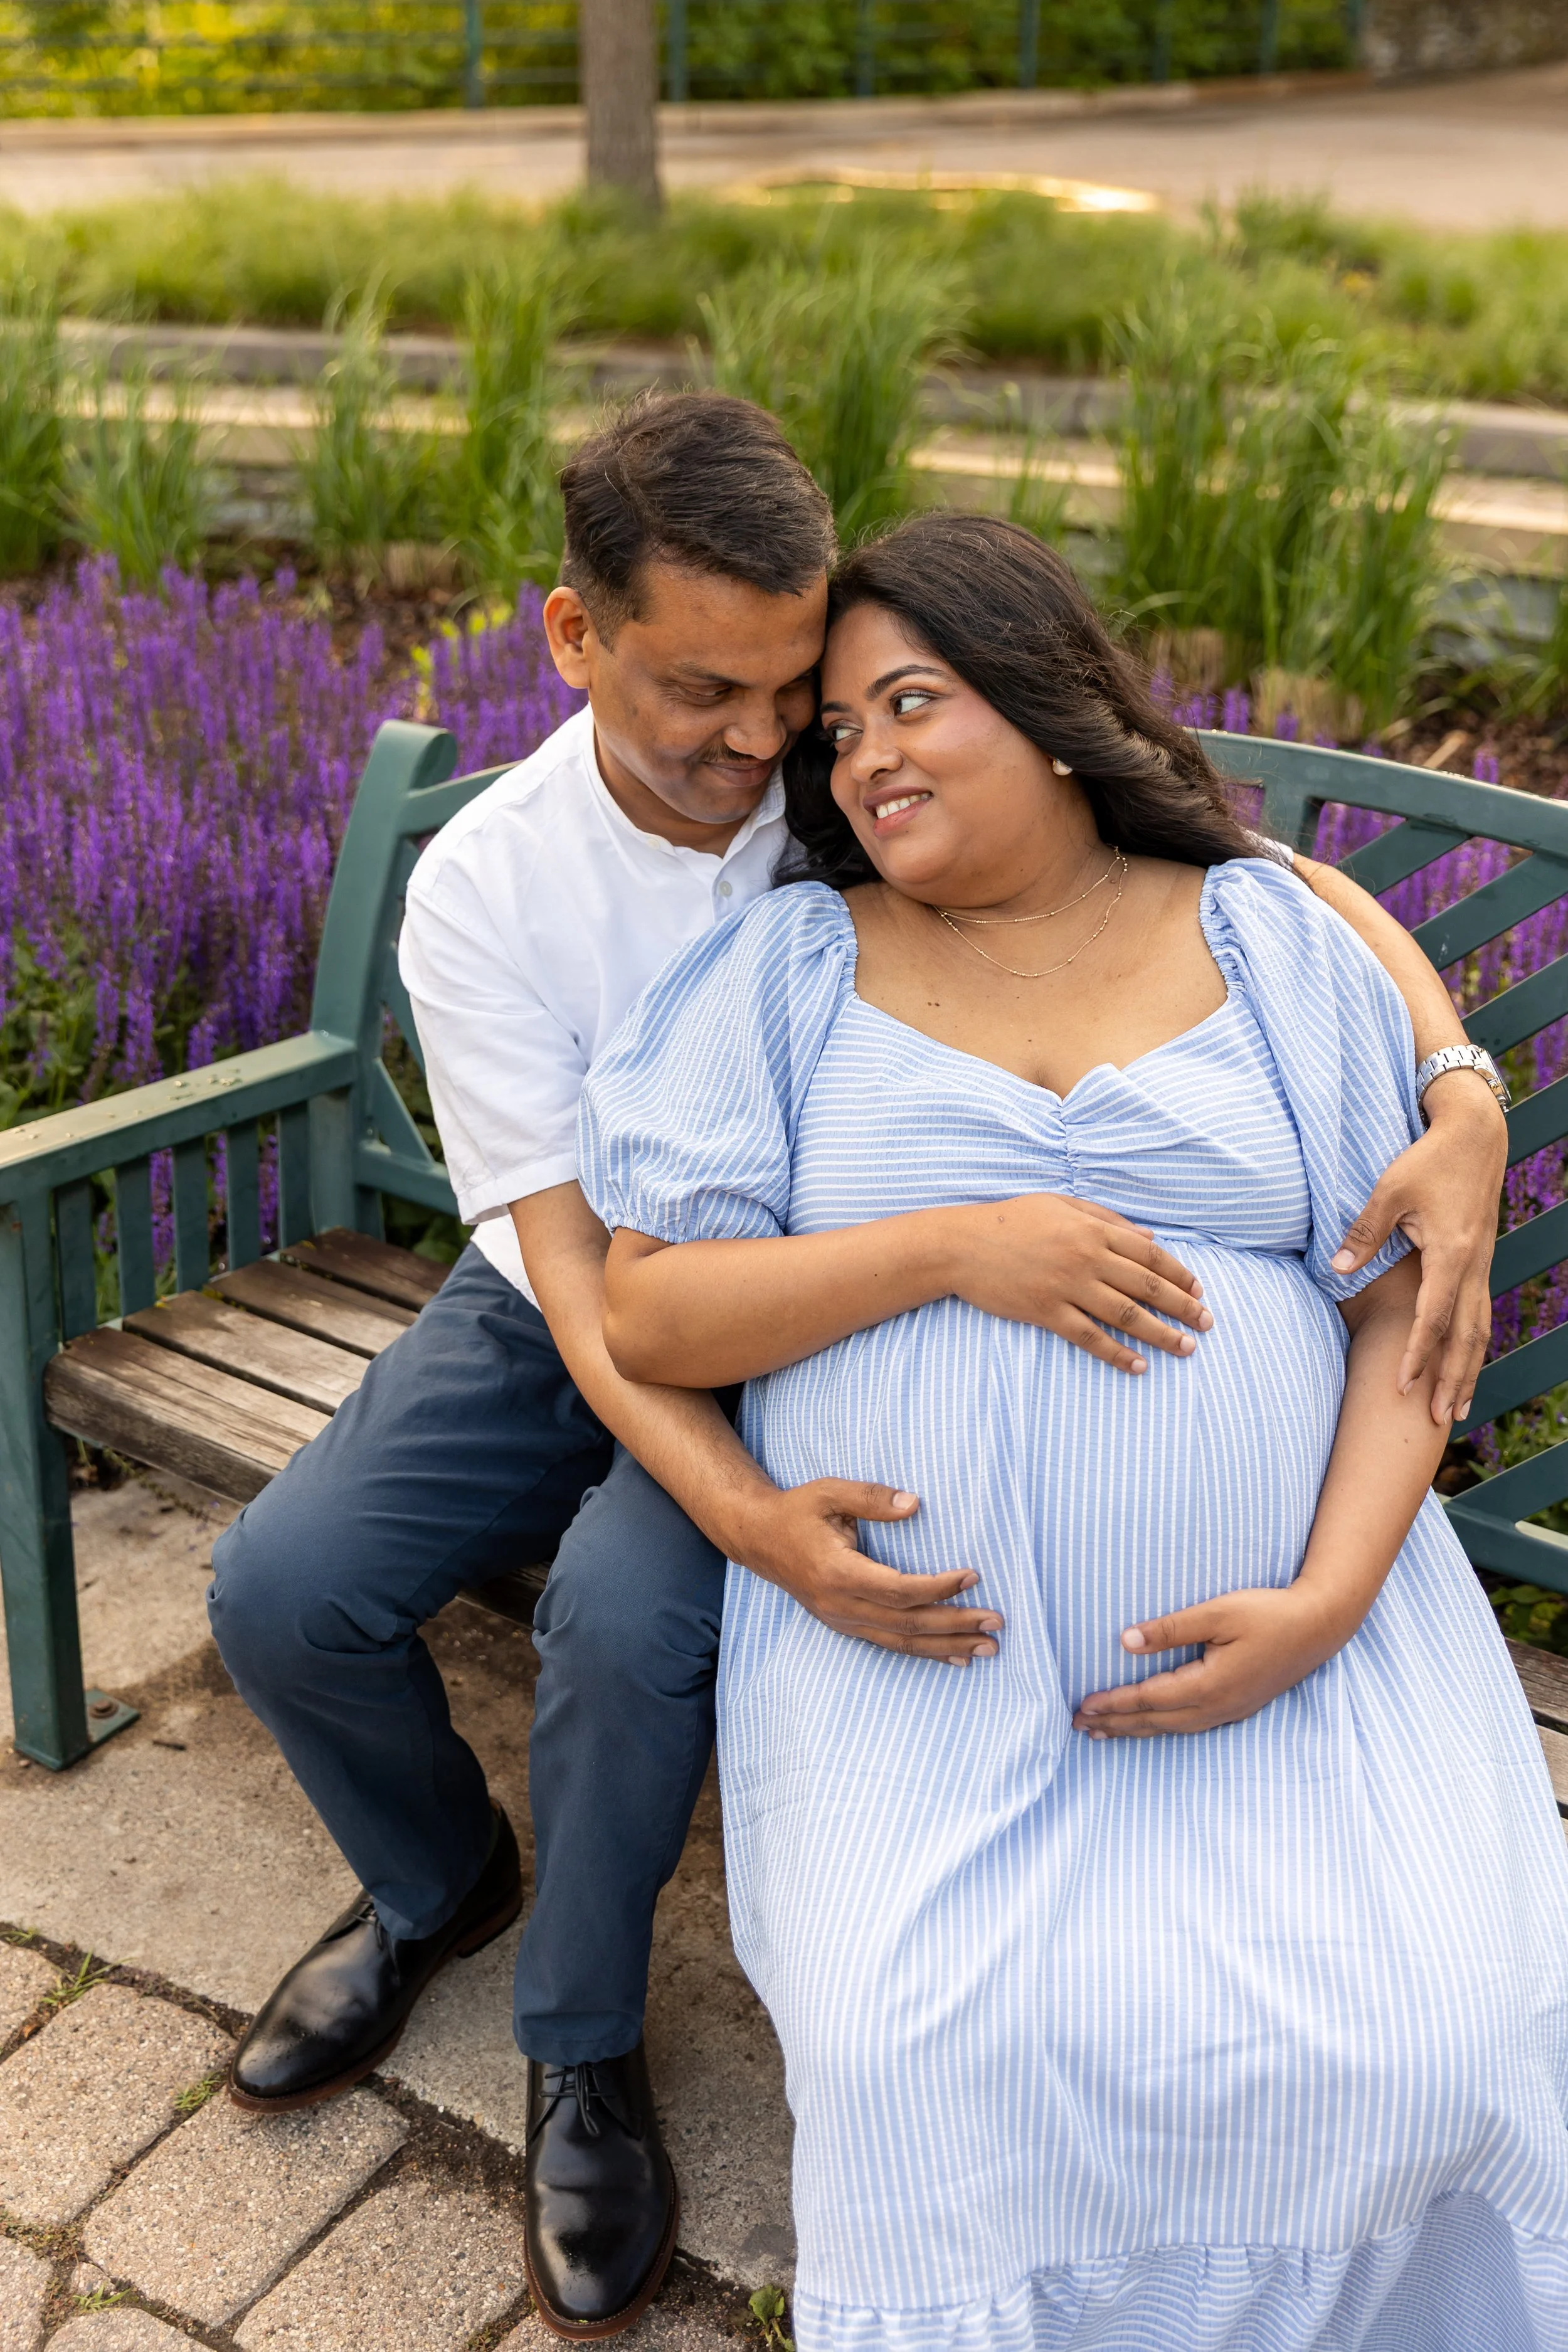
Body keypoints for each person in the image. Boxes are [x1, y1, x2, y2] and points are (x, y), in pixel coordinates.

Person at [207, 401, 1508, 2339]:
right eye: (718, 698)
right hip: (570, 1296)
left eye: (803, 693)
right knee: (290, 1589)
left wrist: (1458, 1084)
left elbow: (1234, 870)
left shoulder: (886, 814)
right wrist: (749, 1508)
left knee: (625, 1631)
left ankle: (576, 2037)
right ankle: (447, 1903)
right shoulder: (495, 884)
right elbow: (596, 1294)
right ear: (573, 638)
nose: (774, 744)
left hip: (848, 1359)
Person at [578, 512, 1568, 2351]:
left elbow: (1394, 1321)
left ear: (1042, 709)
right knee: (916, 2055)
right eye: (836, 736)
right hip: (931, 1675)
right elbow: (649, 1307)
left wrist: (1328, 1600)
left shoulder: (1259, 934)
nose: (861, 758)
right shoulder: (797, 966)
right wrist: (957, 1246)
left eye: (908, 704)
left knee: (1425, 2035)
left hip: (1299, 1650)